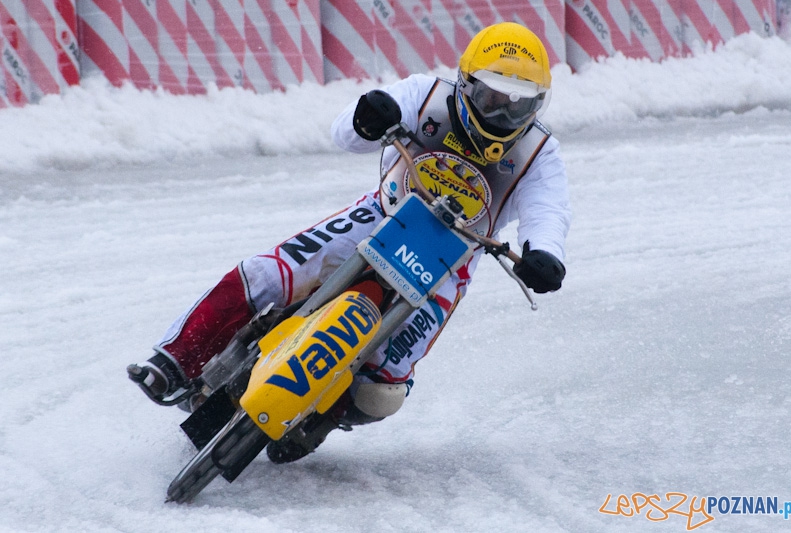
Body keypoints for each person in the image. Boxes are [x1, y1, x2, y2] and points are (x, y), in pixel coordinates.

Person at [128, 21, 571, 463]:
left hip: (453, 258)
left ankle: (316, 419)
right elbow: (346, 133)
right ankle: (174, 361)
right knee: (268, 274)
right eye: (493, 99)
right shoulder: (426, 95)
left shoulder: (538, 152)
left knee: (384, 389)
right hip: (381, 215)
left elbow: (547, 209)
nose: (502, 117)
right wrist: (368, 116)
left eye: (518, 107)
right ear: (467, 84)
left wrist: (544, 253)